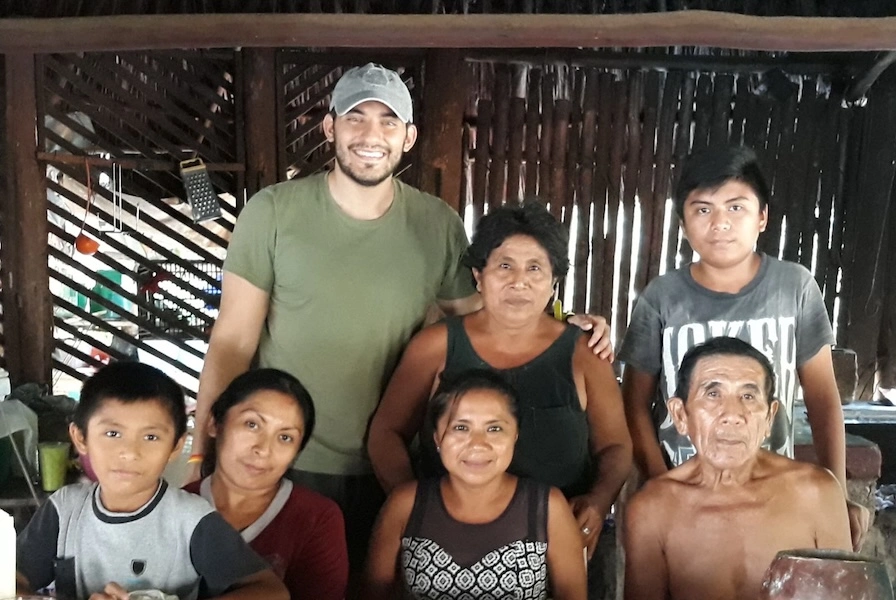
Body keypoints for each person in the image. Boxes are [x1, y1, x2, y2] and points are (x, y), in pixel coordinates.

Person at [192, 63, 612, 570]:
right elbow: (232, 343)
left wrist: (564, 320)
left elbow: (487, 319)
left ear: (409, 138)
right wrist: (203, 454)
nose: (372, 135)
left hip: (392, 465)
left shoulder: (436, 223)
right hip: (286, 460)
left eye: (389, 122)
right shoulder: (273, 212)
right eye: (356, 118)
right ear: (330, 128)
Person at [617, 144, 869, 549]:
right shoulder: (661, 298)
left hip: (772, 494)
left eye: (736, 208)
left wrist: (835, 492)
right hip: (685, 493)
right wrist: (661, 484)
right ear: (683, 223)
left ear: (762, 217)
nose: (720, 223)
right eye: (702, 210)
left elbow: (822, 397)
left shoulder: (794, 287)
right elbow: (633, 404)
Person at [368, 201, 632, 563]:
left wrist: (598, 503)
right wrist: (417, 508)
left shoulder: (584, 354)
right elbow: (386, 433)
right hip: (446, 544)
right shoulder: (435, 346)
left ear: (554, 280)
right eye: (504, 265)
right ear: (478, 275)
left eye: (535, 268)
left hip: (558, 547)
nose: (519, 281)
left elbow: (615, 446)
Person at [15, 362, 287, 600]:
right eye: (112, 433)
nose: (130, 452)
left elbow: (271, 591)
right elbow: (14, 581)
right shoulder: (64, 510)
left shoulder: (190, 520)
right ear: (81, 438)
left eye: (151, 437)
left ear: (175, 447)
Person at [623, 337, 852, 600]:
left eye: (748, 395)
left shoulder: (817, 494)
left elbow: (847, 593)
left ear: (769, 417)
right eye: (713, 394)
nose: (732, 414)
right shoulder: (653, 509)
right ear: (680, 415)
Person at [364, 369, 587, 600]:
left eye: (494, 428)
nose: (478, 443)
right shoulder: (406, 504)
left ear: (516, 435)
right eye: (461, 428)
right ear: (437, 438)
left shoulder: (547, 507)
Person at [184, 369, 348, 600]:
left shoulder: (316, 517)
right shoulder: (174, 506)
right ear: (214, 423)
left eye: (285, 437)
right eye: (252, 424)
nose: (263, 449)